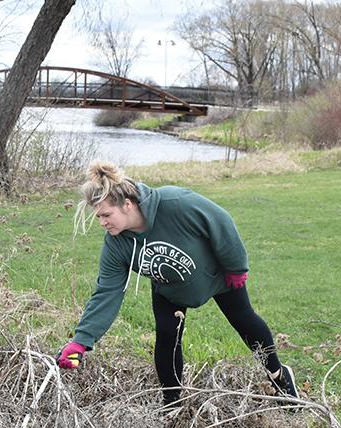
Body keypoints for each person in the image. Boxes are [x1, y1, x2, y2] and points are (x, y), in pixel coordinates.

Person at [57, 160, 298, 405]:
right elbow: (107, 291)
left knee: (244, 321)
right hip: (169, 289)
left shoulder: (174, 203)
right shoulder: (116, 244)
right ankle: (172, 404)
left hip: (217, 276)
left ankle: (280, 378)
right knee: (166, 335)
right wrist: (82, 340)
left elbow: (220, 220)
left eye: (107, 215)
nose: (102, 223)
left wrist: (235, 267)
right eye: (98, 216)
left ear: (127, 205)